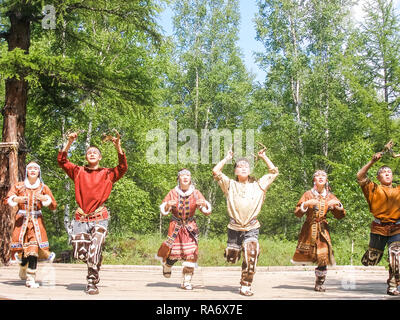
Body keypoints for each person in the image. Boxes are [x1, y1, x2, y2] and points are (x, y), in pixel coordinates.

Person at [57, 131, 127, 295]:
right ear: (86, 157)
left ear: (100, 157)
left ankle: (91, 282)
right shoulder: (78, 171)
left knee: (94, 248)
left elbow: (123, 167)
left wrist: (118, 146)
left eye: (95, 152)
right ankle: (95, 262)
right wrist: (69, 142)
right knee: (81, 254)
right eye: (89, 152)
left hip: (99, 218)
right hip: (81, 218)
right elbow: (62, 161)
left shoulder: (107, 174)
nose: (92, 153)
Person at [212, 148, 278, 296]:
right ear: (235, 171)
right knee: (231, 257)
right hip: (234, 226)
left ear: (250, 170)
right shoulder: (229, 184)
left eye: (246, 166)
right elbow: (216, 171)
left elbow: (273, 172)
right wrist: (226, 158)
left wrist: (264, 157)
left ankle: (246, 285)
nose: (243, 168)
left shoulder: (259, 185)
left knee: (251, 254)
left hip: (252, 226)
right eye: (239, 166)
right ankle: (234, 250)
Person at [156, 169, 212, 290]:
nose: (185, 177)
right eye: (182, 175)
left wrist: (204, 204)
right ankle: (167, 265)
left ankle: (187, 281)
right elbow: (164, 210)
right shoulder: (172, 193)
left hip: (190, 227)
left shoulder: (196, 193)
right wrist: (167, 205)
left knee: (191, 254)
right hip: (175, 227)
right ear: (178, 179)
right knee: (173, 254)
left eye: (187, 175)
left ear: (190, 178)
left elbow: (206, 211)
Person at [291, 170, 345, 292]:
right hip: (309, 229)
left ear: (326, 180)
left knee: (323, 255)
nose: (320, 177)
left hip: (323, 229)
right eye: (317, 176)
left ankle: (319, 283)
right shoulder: (308, 194)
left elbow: (340, 215)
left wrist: (338, 205)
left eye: (323, 176)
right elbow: (297, 213)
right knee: (308, 254)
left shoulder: (329, 195)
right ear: (314, 180)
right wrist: (306, 204)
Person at [5, 161, 57, 288]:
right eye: (30, 168)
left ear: (39, 172)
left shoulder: (43, 188)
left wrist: (46, 199)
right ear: (27, 171)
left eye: (35, 168)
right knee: (21, 250)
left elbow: (53, 205)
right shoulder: (19, 186)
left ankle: (31, 278)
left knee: (33, 249)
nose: (33, 170)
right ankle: (23, 266)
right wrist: (16, 199)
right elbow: (7, 199)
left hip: (36, 222)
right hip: (21, 221)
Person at [357, 152, 400, 295]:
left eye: (389, 172)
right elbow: (360, 176)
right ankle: (377, 258)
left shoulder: (398, 189)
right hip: (379, 228)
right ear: (378, 177)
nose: (387, 174)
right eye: (384, 172)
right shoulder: (373, 188)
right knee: (370, 261)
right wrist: (371, 162)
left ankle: (393, 285)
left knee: (396, 258)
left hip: (397, 228)